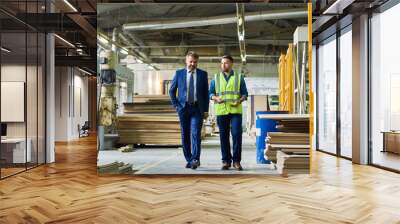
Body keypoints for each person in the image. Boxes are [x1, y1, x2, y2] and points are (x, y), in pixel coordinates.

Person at [169, 51, 209, 169]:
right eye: (190, 61)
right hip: (183, 108)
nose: (192, 64)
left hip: (197, 108)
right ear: (186, 61)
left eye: (195, 62)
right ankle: (189, 159)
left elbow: (205, 94)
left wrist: (206, 110)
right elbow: (171, 91)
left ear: (197, 62)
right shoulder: (179, 73)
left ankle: (195, 159)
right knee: (185, 134)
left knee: (196, 133)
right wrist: (176, 106)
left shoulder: (203, 74)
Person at [209, 55, 248, 171]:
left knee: (236, 135)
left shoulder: (239, 77)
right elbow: (210, 93)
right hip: (221, 110)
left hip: (235, 110)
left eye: (226, 63)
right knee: (223, 137)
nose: (223, 65)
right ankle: (226, 161)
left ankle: (236, 161)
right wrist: (216, 98)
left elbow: (245, 94)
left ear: (231, 64)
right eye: (222, 63)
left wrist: (239, 100)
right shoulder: (215, 78)